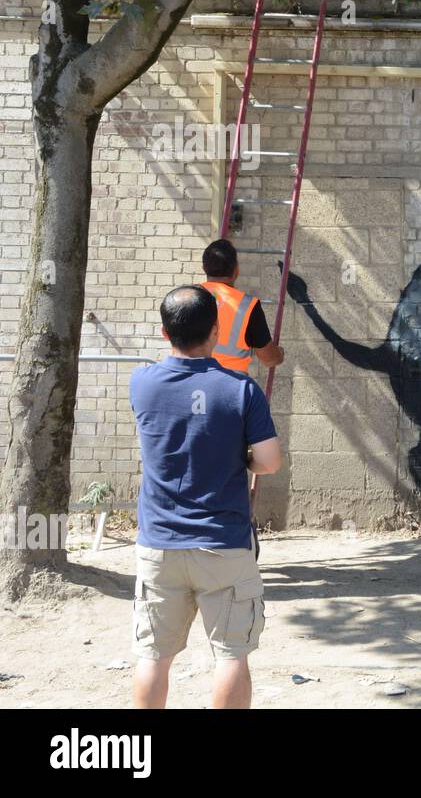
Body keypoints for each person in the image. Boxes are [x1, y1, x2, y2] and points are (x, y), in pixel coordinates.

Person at [129, 285, 282, 708]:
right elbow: (269, 461)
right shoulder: (241, 389)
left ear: (164, 333)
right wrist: (242, 460)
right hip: (223, 545)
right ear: (216, 331)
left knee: (154, 656)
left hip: (159, 543)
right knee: (231, 655)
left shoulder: (141, 382)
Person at [200, 238, 284, 374]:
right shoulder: (247, 305)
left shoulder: (185, 297)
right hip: (230, 387)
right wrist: (279, 353)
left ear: (204, 268)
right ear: (236, 270)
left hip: (192, 383)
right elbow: (269, 359)